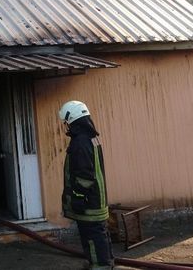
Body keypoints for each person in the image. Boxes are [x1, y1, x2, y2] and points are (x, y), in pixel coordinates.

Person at [58, 100, 114, 270]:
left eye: (66, 122)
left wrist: (78, 197)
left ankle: (100, 266)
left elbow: (84, 175)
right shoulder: (91, 137)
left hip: (88, 202)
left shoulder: (80, 142)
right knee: (99, 234)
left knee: (92, 237)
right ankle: (104, 263)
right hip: (97, 198)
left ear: (72, 119)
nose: (66, 126)